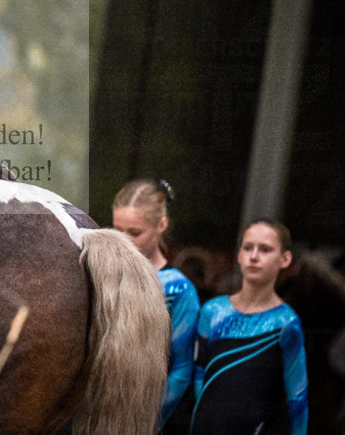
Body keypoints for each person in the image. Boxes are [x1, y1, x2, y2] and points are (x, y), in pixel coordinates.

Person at [191, 219, 308, 435]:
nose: (254, 256)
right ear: (239, 255)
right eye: (248, 248)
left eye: (265, 249)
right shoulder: (213, 311)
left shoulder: (286, 323)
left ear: (285, 259)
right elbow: (199, 376)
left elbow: (298, 399)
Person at [112, 179, 200, 431]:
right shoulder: (106, 274)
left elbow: (182, 369)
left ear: (161, 225)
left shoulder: (178, 289)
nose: (124, 241)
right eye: (117, 230)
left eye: (135, 233)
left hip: (146, 417)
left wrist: (144, 418)